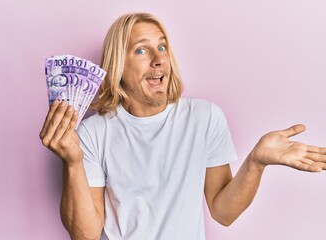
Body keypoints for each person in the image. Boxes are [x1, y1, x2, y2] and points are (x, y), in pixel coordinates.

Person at [39, 12, 326, 240]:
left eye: (162, 47)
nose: (158, 59)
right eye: (142, 50)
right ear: (118, 67)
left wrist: (256, 161)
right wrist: (73, 163)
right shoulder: (93, 133)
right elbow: (85, 235)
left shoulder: (204, 118)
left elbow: (223, 212)